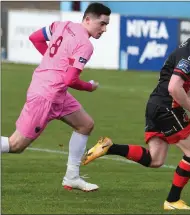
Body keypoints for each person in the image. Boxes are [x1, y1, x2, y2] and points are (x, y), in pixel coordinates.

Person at [82, 10, 190, 208]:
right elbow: (174, 87)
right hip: (167, 108)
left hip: (156, 105)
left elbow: (180, 82)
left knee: (155, 159)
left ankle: (109, 146)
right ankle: (173, 200)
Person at [1, 2, 111, 192]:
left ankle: (72, 178)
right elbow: (71, 79)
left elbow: (35, 38)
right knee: (16, 145)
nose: (104, 29)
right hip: (45, 95)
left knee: (85, 124)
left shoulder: (62, 25)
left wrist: (52, 61)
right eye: (101, 24)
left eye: (106, 25)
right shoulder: (85, 45)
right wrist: (89, 87)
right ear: (87, 19)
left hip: (55, 92)